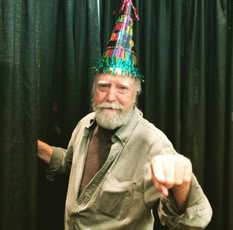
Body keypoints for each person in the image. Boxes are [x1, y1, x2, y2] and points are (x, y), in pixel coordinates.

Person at [38, 0, 212, 229]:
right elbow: (70, 164)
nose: (111, 96)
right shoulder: (84, 125)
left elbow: (192, 220)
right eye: (103, 86)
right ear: (94, 90)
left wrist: (182, 185)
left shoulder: (153, 144)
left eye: (122, 88)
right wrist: (30, 146)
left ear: (135, 94)